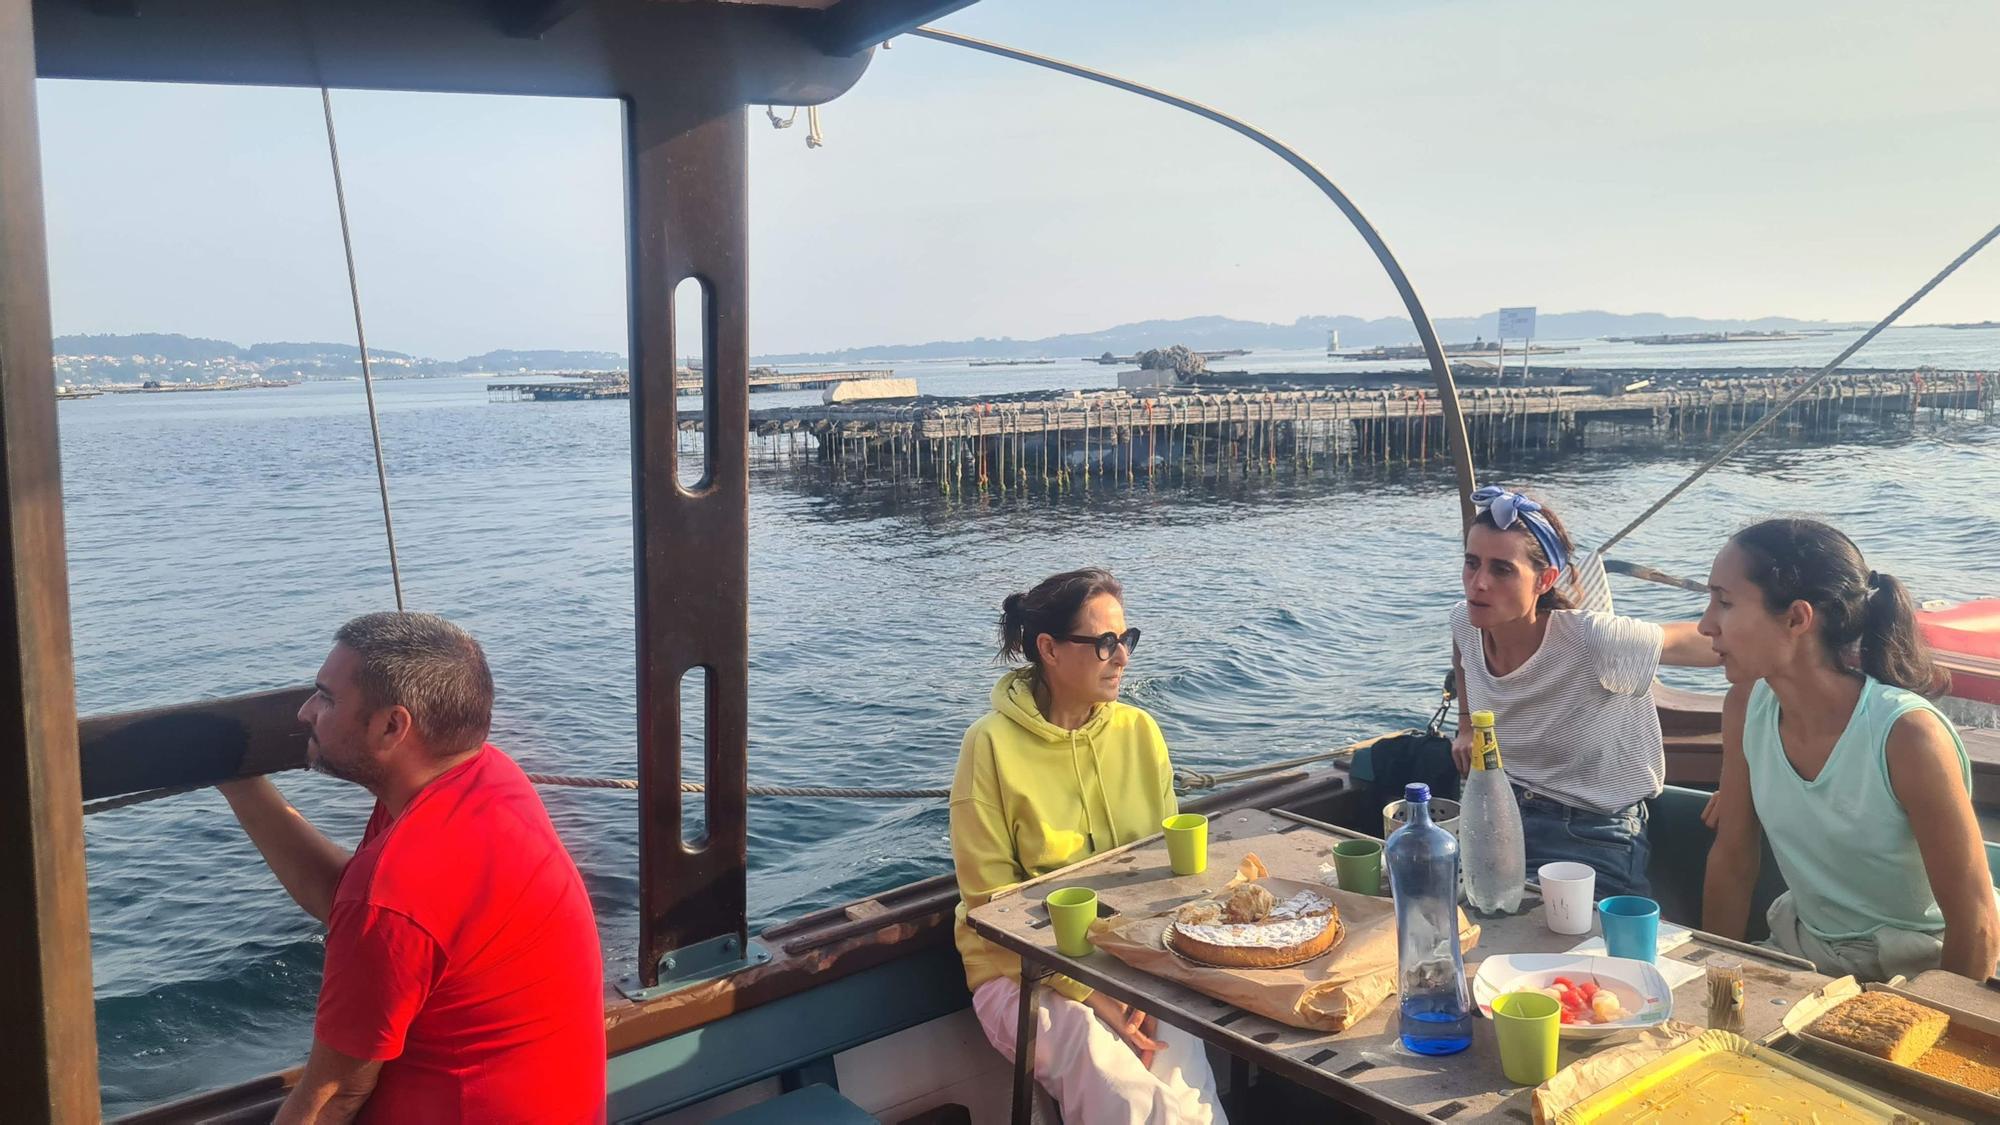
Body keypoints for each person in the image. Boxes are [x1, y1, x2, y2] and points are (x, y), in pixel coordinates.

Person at [220, 613, 605, 1124]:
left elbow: (333, 1099)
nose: (305, 712)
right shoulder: (485, 778)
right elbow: (346, 900)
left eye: (326, 698)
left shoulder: (396, 886)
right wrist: (240, 783)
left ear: (391, 727)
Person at [951, 569, 1227, 1125]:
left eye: (1127, 639)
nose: (1122, 657)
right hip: (1017, 972)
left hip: (1134, 959)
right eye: (1105, 643)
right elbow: (990, 906)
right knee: (1120, 1090)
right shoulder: (989, 747)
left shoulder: (1140, 733)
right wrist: (1092, 990)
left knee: (1187, 1085)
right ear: (1049, 649)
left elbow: (1166, 873)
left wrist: (1142, 974)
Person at [1699, 519, 1999, 981]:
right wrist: (1713, 981)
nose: (1704, 624)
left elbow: (1976, 925)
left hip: (1927, 972)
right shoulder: (1746, 706)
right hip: (1809, 955)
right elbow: (1734, 856)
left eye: (1725, 602)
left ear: (1797, 618)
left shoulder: (1908, 735)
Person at [1451, 486, 1718, 898]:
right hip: (1499, 811)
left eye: (1502, 569)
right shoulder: (1466, 622)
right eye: (1472, 563)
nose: (1479, 583)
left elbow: (1715, 643)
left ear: (1545, 580)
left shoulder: (1594, 639)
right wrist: (1465, 725)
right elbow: (1463, 658)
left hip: (1590, 828)